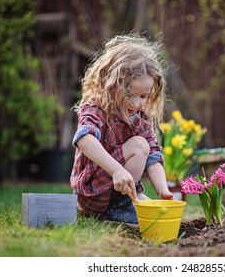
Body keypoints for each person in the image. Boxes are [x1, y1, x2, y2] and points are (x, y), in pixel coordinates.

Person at [70, 33, 174, 224]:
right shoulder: (97, 107)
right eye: (130, 94)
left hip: (119, 189)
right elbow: (84, 139)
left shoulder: (141, 116)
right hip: (93, 192)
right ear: (111, 85)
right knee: (139, 145)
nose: (136, 103)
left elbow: (153, 156)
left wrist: (163, 189)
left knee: (156, 214)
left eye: (143, 96)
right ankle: (119, 207)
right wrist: (117, 170)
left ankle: (122, 204)